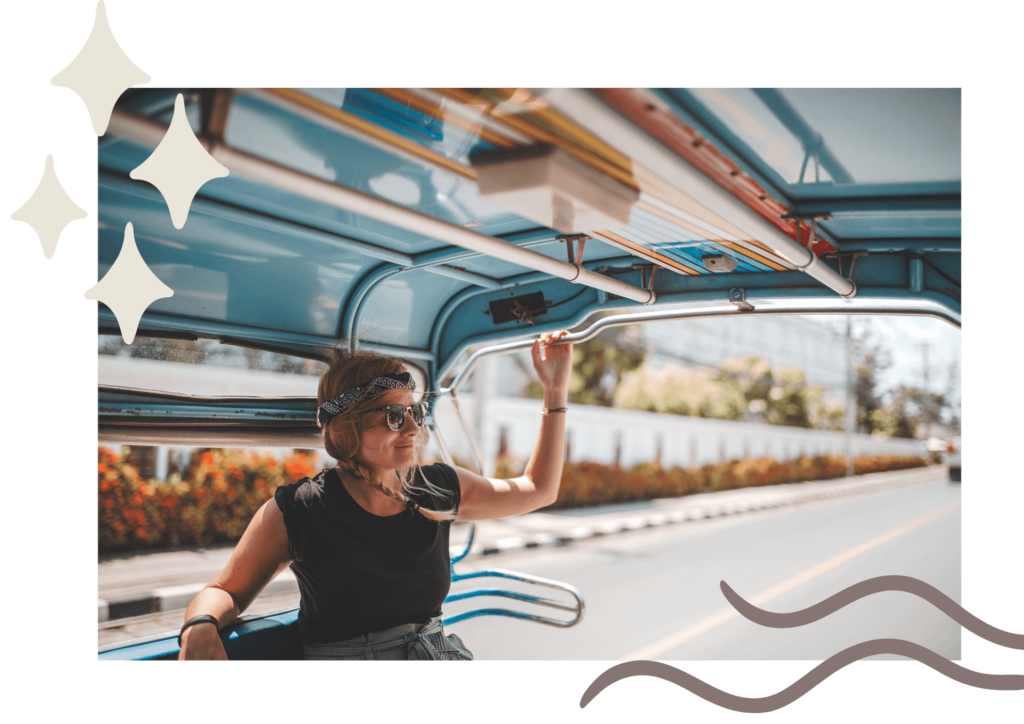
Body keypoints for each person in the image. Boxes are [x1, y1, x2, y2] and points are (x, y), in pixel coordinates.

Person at [178, 330, 573, 660]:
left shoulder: (437, 487)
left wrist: (555, 392)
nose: (413, 429)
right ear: (349, 425)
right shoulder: (302, 508)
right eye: (393, 416)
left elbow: (538, 490)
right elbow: (224, 591)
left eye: (414, 413)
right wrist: (200, 625)